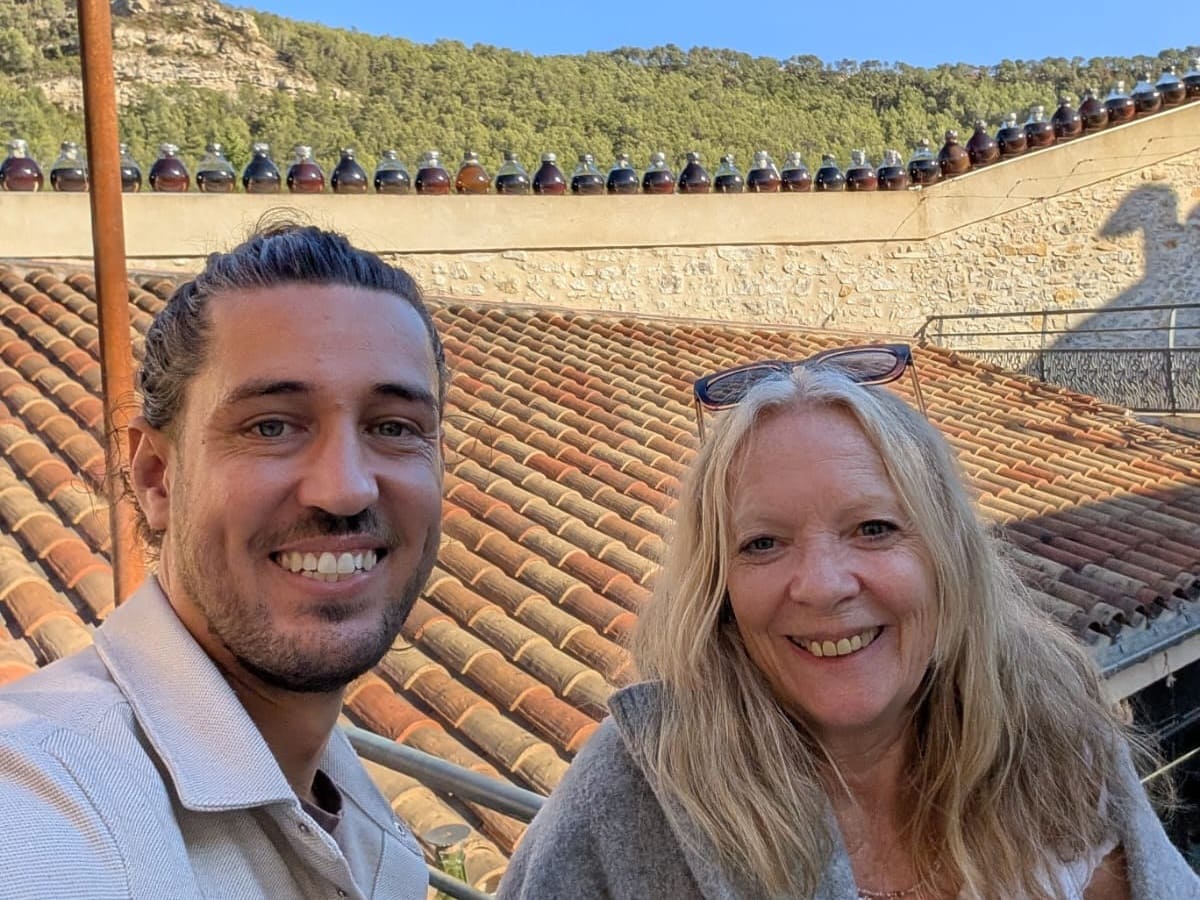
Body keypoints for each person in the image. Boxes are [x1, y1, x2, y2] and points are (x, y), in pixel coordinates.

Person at [498, 344, 1199, 900]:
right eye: (763, 543)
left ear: (949, 558)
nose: (823, 586)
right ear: (720, 589)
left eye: (873, 528)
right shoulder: (638, 788)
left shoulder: (1057, 734)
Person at [0, 223, 447, 899]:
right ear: (156, 477)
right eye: (271, 426)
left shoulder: (345, 806)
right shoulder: (40, 810)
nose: (346, 488)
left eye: (393, 427)